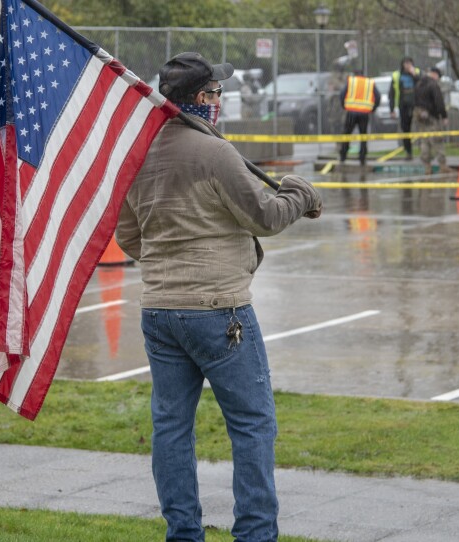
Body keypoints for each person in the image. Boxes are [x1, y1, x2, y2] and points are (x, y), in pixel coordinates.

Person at [115, 51, 322, 542]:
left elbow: (128, 236)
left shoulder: (138, 153)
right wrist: (301, 195)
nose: (220, 101)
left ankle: (182, 532)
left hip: (160, 310)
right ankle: (255, 533)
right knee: (252, 424)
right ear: (202, 99)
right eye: (217, 93)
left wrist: (171, 262)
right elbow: (265, 217)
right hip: (219, 311)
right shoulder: (216, 153)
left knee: (170, 428)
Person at [413, 67, 453, 175]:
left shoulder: (419, 84)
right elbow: (439, 101)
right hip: (432, 116)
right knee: (437, 140)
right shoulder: (433, 85)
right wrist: (444, 116)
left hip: (419, 115)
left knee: (424, 141)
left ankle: (427, 167)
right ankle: (442, 165)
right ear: (435, 74)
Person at [339, 69, 381, 166]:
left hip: (351, 113)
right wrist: (373, 108)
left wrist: (344, 106)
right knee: (363, 136)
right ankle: (362, 158)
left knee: (347, 134)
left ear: (355, 74)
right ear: (363, 74)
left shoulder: (351, 81)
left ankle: (343, 156)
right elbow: (378, 96)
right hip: (364, 114)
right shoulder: (369, 82)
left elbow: (342, 94)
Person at [389, 57, 420, 160]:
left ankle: (425, 153)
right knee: (405, 129)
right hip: (403, 106)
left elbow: (422, 83)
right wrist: (392, 109)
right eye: (405, 63)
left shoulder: (418, 73)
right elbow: (392, 94)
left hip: (417, 105)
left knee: (421, 128)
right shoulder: (397, 75)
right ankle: (408, 152)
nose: (407, 66)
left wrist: (414, 74)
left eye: (409, 63)